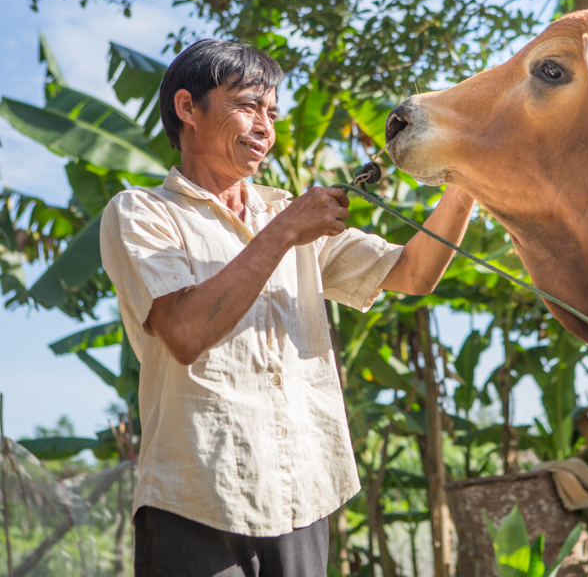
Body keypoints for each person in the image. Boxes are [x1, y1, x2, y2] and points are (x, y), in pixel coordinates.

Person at [99, 39, 475, 576]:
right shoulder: (143, 212)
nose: (265, 126)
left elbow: (416, 272)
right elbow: (183, 333)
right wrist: (283, 233)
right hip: (195, 499)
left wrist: (468, 182)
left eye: (272, 112)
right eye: (248, 105)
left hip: (304, 499)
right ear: (187, 108)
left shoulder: (286, 214)